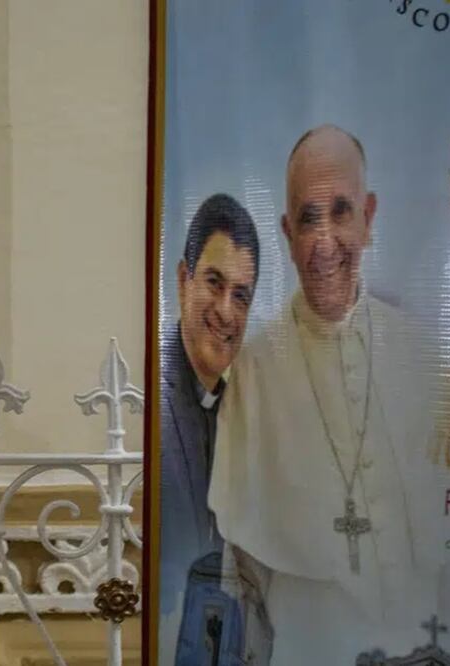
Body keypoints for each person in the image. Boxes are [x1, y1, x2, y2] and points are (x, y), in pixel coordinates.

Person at [207, 126, 441, 663]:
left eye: (341, 212)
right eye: (308, 219)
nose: (325, 241)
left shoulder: (417, 351)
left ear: (368, 218)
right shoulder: (254, 370)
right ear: (287, 234)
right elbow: (243, 569)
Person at [157, 194, 269, 666]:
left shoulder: (241, 406)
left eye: (241, 295)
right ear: (183, 280)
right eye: (214, 283)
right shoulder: (150, 397)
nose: (226, 311)